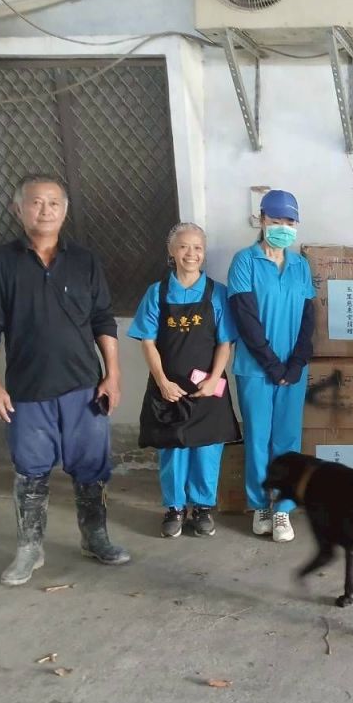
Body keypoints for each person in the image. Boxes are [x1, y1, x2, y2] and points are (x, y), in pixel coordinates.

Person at [0, 174, 130, 586]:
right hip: (27, 390)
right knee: (30, 471)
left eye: (54, 203)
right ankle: (30, 548)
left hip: (84, 386)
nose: (45, 210)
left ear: (65, 210)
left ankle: (95, 537)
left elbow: (102, 319)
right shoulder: (0, 263)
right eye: (36, 202)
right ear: (19, 209)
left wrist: (112, 375)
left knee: (91, 467)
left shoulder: (85, 261)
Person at [128, 223, 241, 538]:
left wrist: (214, 379)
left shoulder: (218, 293)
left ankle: (203, 508)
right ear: (171, 251)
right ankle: (174, 509)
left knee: (207, 450)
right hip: (170, 389)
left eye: (198, 248)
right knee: (172, 450)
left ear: (204, 253)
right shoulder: (157, 293)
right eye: (184, 247)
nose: (191, 254)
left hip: (208, 389)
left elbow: (225, 343)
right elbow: (147, 342)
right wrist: (162, 382)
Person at [227, 189, 315, 542]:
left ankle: (283, 510)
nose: (282, 227)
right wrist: (272, 366)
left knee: (288, 440)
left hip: (292, 371)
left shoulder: (300, 266)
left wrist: (296, 363)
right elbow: (245, 318)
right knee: (258, 438)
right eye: (275, 220)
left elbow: (308, 318)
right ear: (261, 220)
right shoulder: (244, 262)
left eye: (289, 221)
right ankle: (260, 505)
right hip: (255, 369)